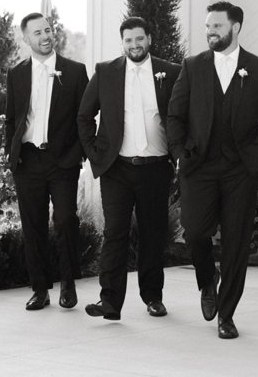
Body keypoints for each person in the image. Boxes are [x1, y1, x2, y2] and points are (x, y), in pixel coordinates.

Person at [167, 1, 258, 339]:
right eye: (207, 27)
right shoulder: (192, 66)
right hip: (198, 166)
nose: (210, 32)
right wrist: (179, 155)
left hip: (240, 169)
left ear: (235, 28)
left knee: (236, 242)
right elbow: (175, 115)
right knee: (194, 232)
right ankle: (207, 281)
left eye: (216, 26)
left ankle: (227, 315)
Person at [77, 17, 181, 320]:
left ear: (149, 39)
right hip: (117, 169)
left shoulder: (171, 72)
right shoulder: (105, 72)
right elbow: (84, 117)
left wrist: (179, 156)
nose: (134, 45)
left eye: (139, 39)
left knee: (153, 235)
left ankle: (153, 297)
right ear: (122, 42)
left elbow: (182, 116)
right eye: (128, 40)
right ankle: (109, 301)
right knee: (114, 233)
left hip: (156, 168)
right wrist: (96, 155)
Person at [4, 12, 89, 311]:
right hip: (28, 160)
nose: (45, 36)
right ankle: (40, 289)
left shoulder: (75, 71)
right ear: (26, 38)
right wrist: (11, 153)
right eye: (38, 32)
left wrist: (78, 152)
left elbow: (85, 117)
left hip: (62, 160)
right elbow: (12, 118)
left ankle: (68, 283)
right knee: (33, 226)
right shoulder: (16, 73)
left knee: (65, 220)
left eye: (48, 30)